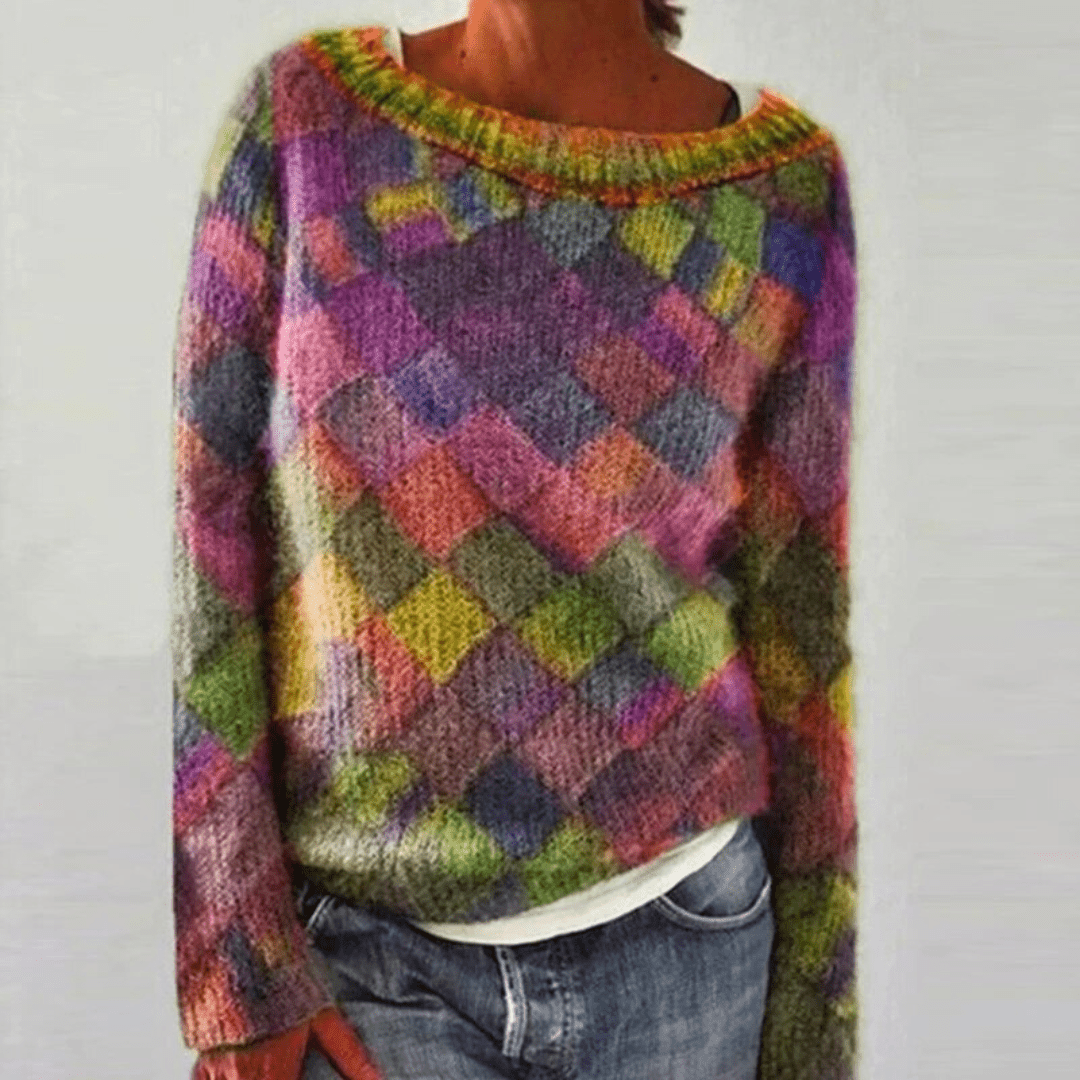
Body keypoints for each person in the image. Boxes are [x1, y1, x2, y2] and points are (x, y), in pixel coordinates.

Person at [170, 3, 858, 1078]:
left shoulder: (782, 195)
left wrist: (818, 1022)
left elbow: (802, 617)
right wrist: (237, 961)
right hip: (363, 968)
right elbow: (208, 536)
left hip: (688, 956)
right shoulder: (305, 125)